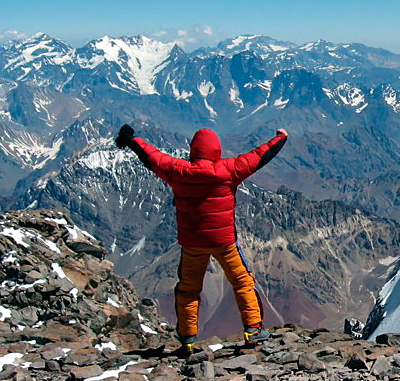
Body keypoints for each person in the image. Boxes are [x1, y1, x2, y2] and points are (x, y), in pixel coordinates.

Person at [115, 124, 288, 355]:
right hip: (224, 242)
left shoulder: (177, 170)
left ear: (193, 150)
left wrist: (132, 140)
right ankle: (253, 330)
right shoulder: (230, 169)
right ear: (217, 150)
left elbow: (153, 157)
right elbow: (259, 156)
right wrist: (280, 138)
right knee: (242, 282)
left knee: (188, 289)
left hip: (192, 243)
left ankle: (187, 339)